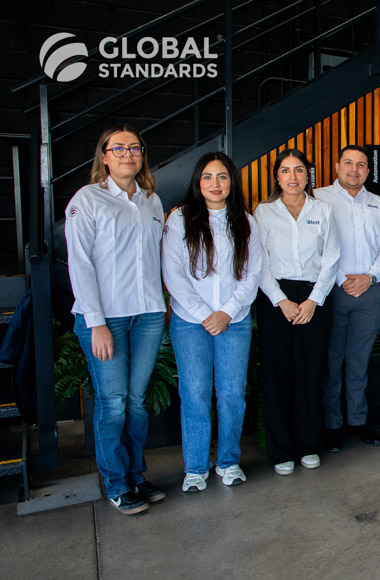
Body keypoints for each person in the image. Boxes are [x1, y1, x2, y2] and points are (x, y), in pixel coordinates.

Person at [65, 125, 166, 515]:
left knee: (136, 403)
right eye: (118, 148)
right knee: (113, 404)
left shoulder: (151, 201)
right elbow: (80, 264)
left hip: (148, 316)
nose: (128, 154)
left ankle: (136, 475)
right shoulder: (88, 199)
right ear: (104, 156)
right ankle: (117, 483)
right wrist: (96, 323)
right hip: (106, 318)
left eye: (135, 148)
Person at [162, 152, 261, 491]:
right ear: (198, 182)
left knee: (232, 394)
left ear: (232, 181)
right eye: (207, 177)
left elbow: (252, 274)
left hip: (235, 320)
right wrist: (206, 315)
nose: (215, 184)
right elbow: (173, 273)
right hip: (190, 322)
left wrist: (226, 312)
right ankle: (195, 467)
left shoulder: (246, 221)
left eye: (222, 176)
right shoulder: (179, 219)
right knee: (195, 393)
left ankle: (228, 462)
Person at [255, 149, 339, 475]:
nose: (293, 177)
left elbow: (331, 258)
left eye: (299, 170)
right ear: (277, 176)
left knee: (311, 371)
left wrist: (314, 300)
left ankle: (308, 445)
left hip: (314, 298)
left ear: (308, 175)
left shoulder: (323, 209)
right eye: (286, 171)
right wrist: (281, 300)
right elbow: (258, 261)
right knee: (276, 374)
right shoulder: (264, 212)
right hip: (275, 297)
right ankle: (281, 451)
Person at [317, 145, 380, 451]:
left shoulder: (378, 203)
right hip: (332, 291)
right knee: (332, 360)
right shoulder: (319, 198)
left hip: (368, 292)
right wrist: (341, 279)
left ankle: (358, 421)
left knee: (359, 361)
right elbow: (316, 246)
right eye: (348, 163)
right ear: (337, 166)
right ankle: (332, 425)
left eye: (361, 164)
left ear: (367, 170)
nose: (354, 169)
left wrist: (370, 277)